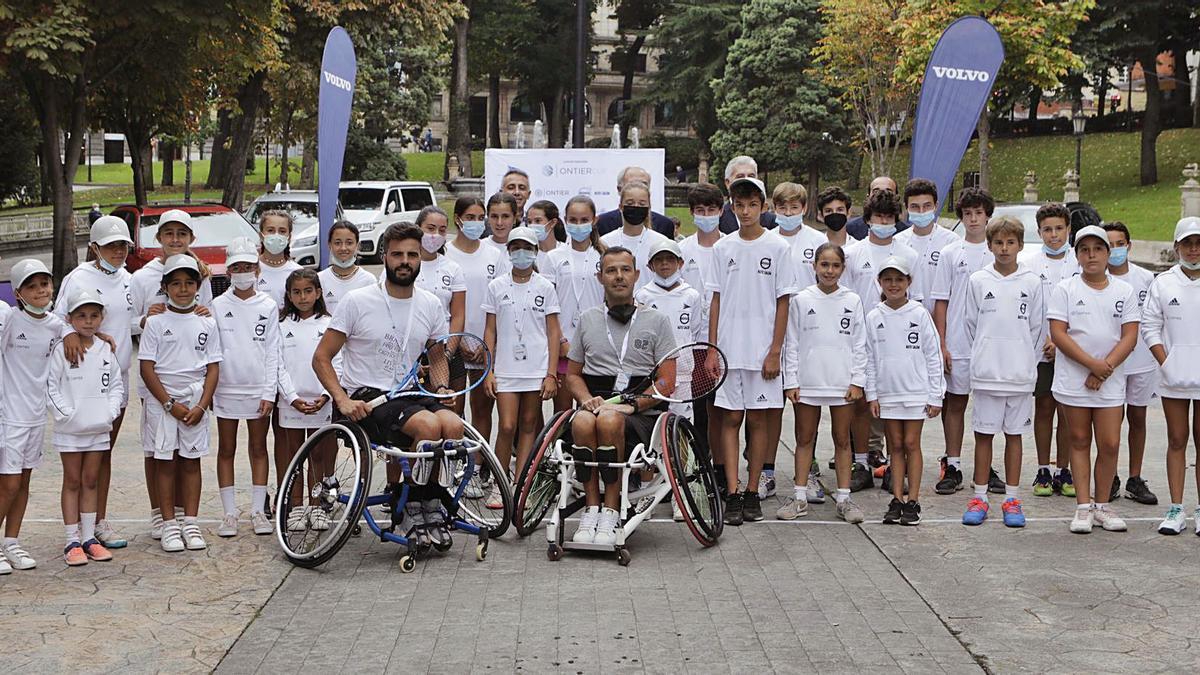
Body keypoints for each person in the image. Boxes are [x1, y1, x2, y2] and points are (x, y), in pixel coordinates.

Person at [313, 223, 465, 538]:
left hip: (410, 395)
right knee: (427, 427)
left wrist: (441, 387)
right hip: (368, 397)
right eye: (397, 254)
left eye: (412, 254)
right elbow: (321, 358)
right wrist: (342, 399)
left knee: (453, 426)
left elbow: (436, 357)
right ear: (385, 256)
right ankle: (410, 509)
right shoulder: (357, 301)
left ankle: (431, 503)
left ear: (421, 257)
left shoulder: (430, 303)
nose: (405, 261)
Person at [565, 247, 677, 545]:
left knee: (610, 419)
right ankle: (591, 509)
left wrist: (635, 405)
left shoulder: (657, 320)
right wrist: (586, 398)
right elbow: (573, 374)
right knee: (581, 423)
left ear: (637, 275)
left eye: (625, 269)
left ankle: (612, 508)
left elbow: (667, 381)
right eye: (611, 270)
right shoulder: (587, 319)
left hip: (641, 412)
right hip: (598, 401)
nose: (618, 276)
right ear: (600, 276)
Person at [707, 177, 794, 525]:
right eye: (739, 205)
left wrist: (775, 350)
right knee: (730, 418)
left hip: (762, 354)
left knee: (759, 421)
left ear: (763, 207)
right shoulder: (722, 248)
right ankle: (732, 491)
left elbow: (783, 301)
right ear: (732, 207)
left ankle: (753, 491)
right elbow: (715, 300)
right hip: (728, 351)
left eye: (752, 205)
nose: (745, 212)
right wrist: (713, 350)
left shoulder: (778, 248)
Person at [1046, 225, 1139, 534]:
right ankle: (1083, 507)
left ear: (1107, 253)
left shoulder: (1123, 291)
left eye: (1098, 249)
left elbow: (1130, 336)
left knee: (1110, 443)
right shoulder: (1066, 289)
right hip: (1075, 380)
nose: (1092, 255)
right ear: (1077, 256)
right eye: (1084, 250)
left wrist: (1105, 368)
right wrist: (1091, 365)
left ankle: (1103, 505)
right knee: (1080, 440)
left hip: (1110, 382)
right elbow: (1059, 333)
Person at [129, 210, 214, 539]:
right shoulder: (141, 277)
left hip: (190, 380)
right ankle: (160, 515)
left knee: (187, 453)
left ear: (191, 237)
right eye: (169, 233)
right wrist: (143, 319)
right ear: (159, 237)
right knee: (158, 450)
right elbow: (128, 322)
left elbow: (202, 319)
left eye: (182, 233)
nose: (175, 239)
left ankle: (182, 516)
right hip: (155, 383)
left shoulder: (201, 274)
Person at [54, 215, 136, 549]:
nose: (118, 251)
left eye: (123, 245)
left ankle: (97, 521)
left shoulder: (130, 280)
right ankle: (78, 530)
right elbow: (58, 319)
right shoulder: (77, 278)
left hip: (116, 381)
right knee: (82, 460)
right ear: (94, 247)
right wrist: (72, 333)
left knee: (105, 453)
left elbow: (138, 318)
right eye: (111, 246)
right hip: (82, 384)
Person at [959, 216, 1043, 529]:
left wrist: (1024, 362)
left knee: (1014, 435)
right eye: (998, 242)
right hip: (986, 374)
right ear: (990, 245)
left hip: (1019, 376)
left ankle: (1011, 498)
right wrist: (985, 355)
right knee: (983, 435)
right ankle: (979, 496)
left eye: (1010, 242)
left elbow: (1036, 327)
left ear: (1020, 245)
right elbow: (970, 325)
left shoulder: (1032, 282)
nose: (1004, 248)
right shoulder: (979, 280)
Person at [138, 254, 222, 553]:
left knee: (190, 462)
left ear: (198, 286)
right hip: (164, 405)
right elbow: (147, 367)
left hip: (194, 404)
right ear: (165, 287)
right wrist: (168, 404)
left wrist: (201, 405)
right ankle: (169, 523)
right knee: (165, 462)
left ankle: (190, 521)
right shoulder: (156, 323)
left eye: (189, 283)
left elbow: (213, 367)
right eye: (176, 284)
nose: (183, 289)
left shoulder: (207, 323)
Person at [780, 243, 867, 523]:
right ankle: (800, 497)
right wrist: (791, 380)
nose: (829, 271)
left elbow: (859, 345)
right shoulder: (801, 300)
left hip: (842, 383)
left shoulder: (852, 300)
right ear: (814, 266)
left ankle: (844, 499)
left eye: (835, 266)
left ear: (843, 268)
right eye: (824, 265)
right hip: (808, 383)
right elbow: (791, 343)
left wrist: (857, 381)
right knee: (804, 439)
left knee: (842, 440)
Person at [842, 189, 919, 491]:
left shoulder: (909, 254)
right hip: (860, 339)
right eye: (879, 217)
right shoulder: (853, 253)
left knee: (892, 405)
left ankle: (892, 466)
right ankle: (862, 461)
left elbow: (918, 299)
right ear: (869, 219)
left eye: (889, 217)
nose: (884, 222)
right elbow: (845, 298)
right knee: (861, 404)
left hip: (897, 342)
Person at [483, 227, 561, 500]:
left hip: (536, 367)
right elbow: (490, 331)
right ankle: (499, 483)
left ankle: (521, 485)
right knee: (506, 426)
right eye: (516, 248)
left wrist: (551, 374)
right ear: (509, 252)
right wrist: (488, 370)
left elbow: (553, 332)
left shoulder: (545, 286)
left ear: (536, 252)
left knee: (529, 424)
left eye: (527, 248)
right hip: (505, 367)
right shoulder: (496, 286)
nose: (521, 253)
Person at [0, 260, 69, 571]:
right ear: (19, 293)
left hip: (36, 418)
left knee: (24, 482)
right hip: (9, 417)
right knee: (9, 485)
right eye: (32, 285)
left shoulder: (56, 325)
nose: (41, 290)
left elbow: (79, 333)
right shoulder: (9, 320)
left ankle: (11, 541)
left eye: (45, 283)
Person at [865, 255, 944, 526]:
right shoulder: (874, 316)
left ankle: (913, 500)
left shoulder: (920, 314)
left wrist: (936, 394)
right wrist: (872, 394)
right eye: (888, 279)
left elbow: (933, 355)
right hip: (888, 394)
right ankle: (896, 499)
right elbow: (869, 358)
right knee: (894, 446)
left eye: (899, 279)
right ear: (880, 283)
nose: (894, 284)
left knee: (911, 444)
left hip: (914, 392)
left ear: (909, 282)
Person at [211, 237, 281, 538]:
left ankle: (257, 510)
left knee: (258, 448)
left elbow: (272, 351)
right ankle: (229, 513)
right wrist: (210, 391)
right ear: (228, 271)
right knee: (226, 449)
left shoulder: (268, 305)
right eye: (236, 267)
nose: (242, 272)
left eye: (248, 267)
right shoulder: (215, 306)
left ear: (257, 269)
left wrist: (269, 392)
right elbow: (211, 354)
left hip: (257, 391)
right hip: (226, 389)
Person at [48, 289, 124, 565]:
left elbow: (116, 385)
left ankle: (89, 537)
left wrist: (109, 412)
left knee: (91, 481)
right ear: (70, 319)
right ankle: (72, 540)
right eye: (81, 316)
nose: (88, 321)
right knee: (73, 481)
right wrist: (67, 415)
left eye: (94, 315)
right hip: (70, 430)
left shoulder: (107, 349)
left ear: (102, 318)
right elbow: (52, 387)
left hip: (98, 428)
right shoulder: (62, 349)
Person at [932, 187, 999, 495]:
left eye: (979, 213)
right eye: (968, 213)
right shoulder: (950, 253)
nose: (973, 219)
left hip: (989, 343)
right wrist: (942, 343)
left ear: (988, 215)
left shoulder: (998, 252)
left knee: (988, 406)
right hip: (958, 343)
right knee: (955, 403)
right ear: (961, 217)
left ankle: (987, 467)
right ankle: (953, 464)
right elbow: (941, 302)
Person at [1142, 217, 1200, 535]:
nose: (1193, 249)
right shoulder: (1163, 283)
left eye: (1198, 243)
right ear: (1176, 246)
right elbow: (1149, 327)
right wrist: (1167, 363)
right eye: (1187, 243)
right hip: (1173, 378)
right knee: (1177, 439)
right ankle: (1176, 509)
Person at [1019, 204, 1078, 498]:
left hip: (1072, 350)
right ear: (1039, 231)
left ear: (1068, 229)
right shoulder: (1028, 264)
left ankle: (1063, 469)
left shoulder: (1079, 264)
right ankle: (1043, 468)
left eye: (1058, 229)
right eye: (1047, 229)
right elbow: (1029, 310)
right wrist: (1045, 341)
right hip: (1041, 350)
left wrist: (1061, 340)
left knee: (1067, 413)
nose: (1053, 235)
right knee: (1044, 408)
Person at [1102, 222, 1159, 505]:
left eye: (1119, 244)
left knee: (1137, 418)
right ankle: (1108, 476)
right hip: (1109, 363)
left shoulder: (1147, 279)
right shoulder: (1094, 279)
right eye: (1109, 244)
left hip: (1141, 362)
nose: (1115, 250)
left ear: (1129, 245)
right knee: (1109, 422)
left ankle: (1134, 478)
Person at [276, 270, 335, 532]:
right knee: (294, 455)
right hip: (292, 404)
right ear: (288, 295)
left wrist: (326, 395)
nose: (303, 297)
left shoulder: (330, 325)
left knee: (319, 455)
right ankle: (297, 507)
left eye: (308, 291)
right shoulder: (280, 327)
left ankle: (316, 506)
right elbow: (277, 366)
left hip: (322, 401)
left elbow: (339, 363)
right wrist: (291, 397)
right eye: (296, 292)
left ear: (318, 293)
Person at [445, 196, 507, 442]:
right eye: (470, 217)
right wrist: (456, 341)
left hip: (485, 345)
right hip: (454, 344)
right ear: (457, 219)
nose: (476, 223)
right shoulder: (445, 253)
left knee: (482, 410)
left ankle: (480, 465)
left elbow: (501, 301)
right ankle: (453, 464)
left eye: (480, 218)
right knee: (453, 409)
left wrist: (487, 344)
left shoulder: (494, 254)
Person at [544, 196, 606, 413]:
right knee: (562, 412)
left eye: (584, 220)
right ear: (565, 220)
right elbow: (548, 305)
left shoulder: (603, 256)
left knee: (590, 409)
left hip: (595, 345)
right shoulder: (554, 257)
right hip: (563, 344)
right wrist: (560, 340)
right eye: (573, 220)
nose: (578, 225)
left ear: (594, 220)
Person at [635, 239, 704, 422]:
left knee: (681, 427)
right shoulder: (643, 295)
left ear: (680, 263)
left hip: (682, 374)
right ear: (651, 265)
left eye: (670, 259)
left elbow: (694, 330)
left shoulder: (692, 295)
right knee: (653, 427)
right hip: (653, 375)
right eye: (659, 260)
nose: (665, 264)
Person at [678, 183, 724, 454]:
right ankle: (697, 459)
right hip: (692, 343)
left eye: (711, 209)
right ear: (692, 213)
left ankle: (720, 464)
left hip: (723, 340)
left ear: (720, 210)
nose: (705, 215)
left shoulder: (731, 245)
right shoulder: (681, 250)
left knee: (723, 409)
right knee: (696, 407)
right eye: (699, 210)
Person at [895, 179, 957, 315]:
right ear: (906, 207)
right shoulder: (897, 242)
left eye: (927, 206)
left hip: (942, 318)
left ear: (936, 205)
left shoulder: (951, 241)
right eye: (915, 207)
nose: (921, 211)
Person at [599, 180, 671, 292]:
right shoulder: (605, 242)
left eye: (642, 204)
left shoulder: (661, 242)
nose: (636, 207)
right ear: (620, 207)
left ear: (649, 207)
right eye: (630, 203)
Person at [412, 206, 467, 336]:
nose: (436, 234)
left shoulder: (453, 269)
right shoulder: (403, 264)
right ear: (418, 228)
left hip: (442, 343)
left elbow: (458, 316)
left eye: (442, 230)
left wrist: (448, 352)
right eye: (430, 229)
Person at [595, 166, 676, 238]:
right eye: (632, 184)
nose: (638, 189)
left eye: (644, 184)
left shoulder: (664, 225)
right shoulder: (602, 223)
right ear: (619, 189)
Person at [774, 182, 827, 292]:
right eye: (782, 208)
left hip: (809, 306)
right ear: (775, 209)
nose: (788, 213)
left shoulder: (818, 240)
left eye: (794, 207)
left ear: (804, 208)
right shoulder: (767, 240)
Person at [317, 220, 375, 315]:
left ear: (357, 245)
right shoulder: (319, 279)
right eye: (337, 243)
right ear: (329, 245)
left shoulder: (368, 280)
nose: (343, 248)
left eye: (349, 243)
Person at [717, 156, 777, 233]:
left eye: (751, 176)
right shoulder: (718, 219)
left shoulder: (772, 221)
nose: (747, 180)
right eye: (740, 177)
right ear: (727, 183)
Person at [256, 210, 303, 308]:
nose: (276, 235)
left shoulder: (297, 272)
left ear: (289, 237)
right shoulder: (251, 270)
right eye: (270, 230)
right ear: (261, 235)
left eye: (282, 231)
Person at [846, 176, 910, 241]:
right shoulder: (850, 229)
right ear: (868, 196)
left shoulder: (905, 232)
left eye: (888, 191)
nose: (882, 195)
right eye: (876, 191)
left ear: (897, 197)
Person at [526, 199, 567, 271]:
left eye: (538, 221)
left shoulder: (566, 251)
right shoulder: (527, 253)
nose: (532, 225)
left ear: (553, 223)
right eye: (529, 222)